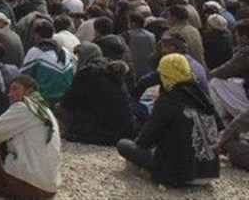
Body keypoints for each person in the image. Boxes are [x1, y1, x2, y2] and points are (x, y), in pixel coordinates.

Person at [117, 53, 220, 187]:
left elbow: (144, 140)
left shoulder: (168, 100)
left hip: (180, 174)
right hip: (208, 172)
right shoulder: (202, 96)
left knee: (123, 144)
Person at [58, 42, 136, 145]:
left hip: (100, 132)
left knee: (58, 107)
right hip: (124, 131)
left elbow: (68, 101)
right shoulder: (112, 69)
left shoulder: (87, 73)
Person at [20, 20, 74, 103]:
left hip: (44, 100)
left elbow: (23, 77)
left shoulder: (36, 52)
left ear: (37, 35)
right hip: (66, 99)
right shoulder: (65, 52)